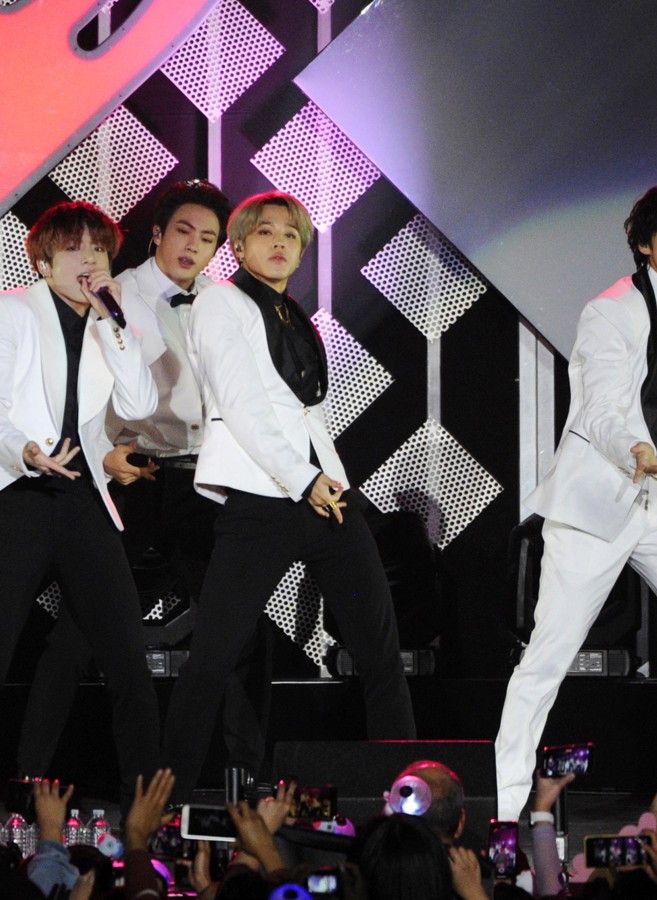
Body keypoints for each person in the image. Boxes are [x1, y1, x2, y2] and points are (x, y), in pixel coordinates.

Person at [494, 182, 657, 846]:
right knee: (549, 655)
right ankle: (505, 804)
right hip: (600, 499)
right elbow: (602, 403)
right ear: (643, 243)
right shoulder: (611, 310)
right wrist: (635, 449)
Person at [14, 180, 278, 779]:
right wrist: (105, 452)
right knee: (79, 631)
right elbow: (77, 388)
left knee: (244, 628)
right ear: (157, 233)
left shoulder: (225, 302)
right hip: (133, 477)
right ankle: (33, 778)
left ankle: (248, 780)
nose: (193, 246)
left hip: (203, 481)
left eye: (207, 239)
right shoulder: (114, 292)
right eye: (183, 231)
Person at [162, 190, 416, 803]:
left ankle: (408, 794)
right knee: (214, 656)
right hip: (263, 496)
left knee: (380, 650)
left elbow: (305, 412)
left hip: (325, 495)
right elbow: (242, 406)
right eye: (265, 232)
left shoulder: (292, 313)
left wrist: (323, 480)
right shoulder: (220, 301)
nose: (279, 242)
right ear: (238, 245)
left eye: (291, 235)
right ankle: (163, 801)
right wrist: (302, 479)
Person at [0, 200, 162, 807]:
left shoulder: (113, 322)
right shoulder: (7, 311)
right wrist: (25, 451)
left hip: (82, 500)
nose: (89, 259)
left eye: (98, 249)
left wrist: (116, 322)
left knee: (130, 663)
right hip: (18, 497)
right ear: (43, 261)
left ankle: (147, 811)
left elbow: (141, 403)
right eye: (74, 249)